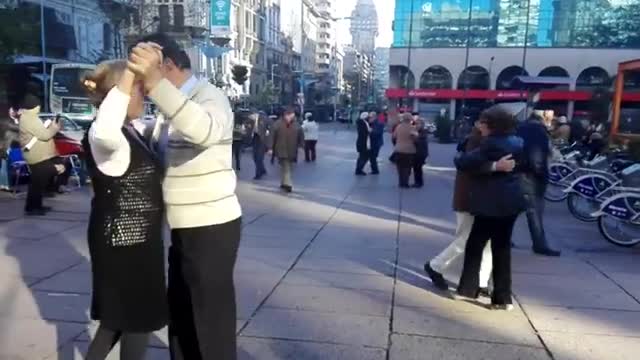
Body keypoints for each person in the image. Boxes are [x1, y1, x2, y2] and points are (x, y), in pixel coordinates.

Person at [127, 33, 242, 360]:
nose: (143, 82)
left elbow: (203, 130)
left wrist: (156, 85)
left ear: (168, 65)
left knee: (209, 322)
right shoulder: (171, 104)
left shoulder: (210, 97)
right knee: (182, 315)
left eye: (147, 71)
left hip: (211, 226)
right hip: (183, 226)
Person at [80, 60, 168, 360]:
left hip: (137, 240)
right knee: (136, 320)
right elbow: (105, 130)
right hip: (123, 242)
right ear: (122, 92)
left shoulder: (130, 131)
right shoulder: (107, 136)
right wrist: (130, 71)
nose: (144, 96)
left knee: (116, 322)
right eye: (139, 90)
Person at [424, 123, 516, 292]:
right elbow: (470, 166)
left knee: (485, 242)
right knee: (466, 238)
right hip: (471, 199)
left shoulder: (486, 141)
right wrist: (496, 166)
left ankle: (481, 280)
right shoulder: (478, 142)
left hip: (481, 200)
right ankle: (436, 265)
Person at [455, 105, 527, 311]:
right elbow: (525, 165)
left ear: (492, 125)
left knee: (475, 245)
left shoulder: (490, 144)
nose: (480, 127)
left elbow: (464, 162)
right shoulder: (518, 142)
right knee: (502, 249)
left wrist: (490, 166)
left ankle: (467, 289)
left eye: (483, 123)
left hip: (490, 203)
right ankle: (503, 298)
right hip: (511, 202)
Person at [517, 113, 561, 257]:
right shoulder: (539, 133)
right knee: (535, 212)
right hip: (532, 177)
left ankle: (501, 239)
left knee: (512, 210)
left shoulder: (519, 129)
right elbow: (537, 157)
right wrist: (541, 175)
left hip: (516, 173)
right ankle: (540, 244)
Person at [17, 93, 64, 215]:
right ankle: (32, 207)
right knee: (39, 181)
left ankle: (35, 206)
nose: (39, 107)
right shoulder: (30, 119)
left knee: (38, 182)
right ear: (34, 106)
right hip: (36, 156)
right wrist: (54, 128)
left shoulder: (29, 117)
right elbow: (45, 135)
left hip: (38, 155)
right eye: (38, 106)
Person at [272, 107, 304, 193]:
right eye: (290, 115)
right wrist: (270, 148)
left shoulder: (296, 125)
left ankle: (283, 182)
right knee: (286, 167)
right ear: (286, 115)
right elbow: (272, 136)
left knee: (285, 167)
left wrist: (301, 147)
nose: (291, 117)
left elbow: (301, 137)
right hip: (281, 149)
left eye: (292, 116)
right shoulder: (278, 124)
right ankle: (288, 184)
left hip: (292, 150)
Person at [392, 113, 418, 188]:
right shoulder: (412, 128)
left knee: (400, 167)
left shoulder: (398, 127)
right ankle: (405, 183)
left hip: (398, 150)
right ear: (410, 119)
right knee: (407, 167)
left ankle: (401, 182)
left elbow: (394, 137)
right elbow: (416, 139)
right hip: (409, 150)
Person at [250, 112, 271, 180]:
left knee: (259, 157)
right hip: (255, 138)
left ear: (256, 115)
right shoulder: (251, 121)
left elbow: (270, 129)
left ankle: (258, 174)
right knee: (255, 157)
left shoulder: (264, 120)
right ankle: (262, 169)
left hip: (262, 140)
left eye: (252, 116)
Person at [412, 116, 429, 188]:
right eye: (416, 124)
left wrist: (414, 136)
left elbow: (418, 141)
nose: (416, 125)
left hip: (421, 153)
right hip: (418, 152)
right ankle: (417, 182)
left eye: (418, 124)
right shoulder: (418, 131)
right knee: (416, 168)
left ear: (422, 124)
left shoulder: (423, 132)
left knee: (418, 168)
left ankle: (419, 183)